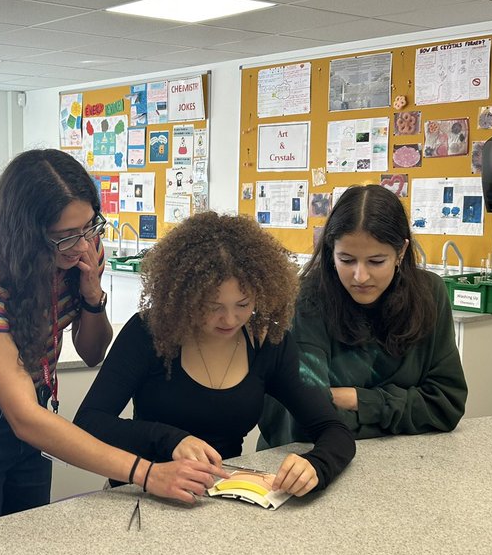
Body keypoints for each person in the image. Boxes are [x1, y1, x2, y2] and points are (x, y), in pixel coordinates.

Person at [0, 149, 221, 515]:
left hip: (37, 409)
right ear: (26, 233)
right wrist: (147, 473)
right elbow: (22, 416)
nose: (81, 246)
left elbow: (92, 352)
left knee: (31, 530)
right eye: (65, 236)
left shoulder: (82, 252)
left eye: (89, 227)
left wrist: (92, 296)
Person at [74, 212, 355, 496]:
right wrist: (169, 440)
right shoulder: (150, 333)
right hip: (144, 494)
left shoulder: (266, 342)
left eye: (243, 304)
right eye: (213, 306)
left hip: (221, 497)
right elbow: (89, 422)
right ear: (184, 295)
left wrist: (316, 466)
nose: (230, 320)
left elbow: (334, 430)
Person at [261, 185, 467, 443]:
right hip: (306, 459)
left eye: (376, 261)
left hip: (404, 460)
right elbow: (307, 420)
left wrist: (355, 399)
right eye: (346, 260)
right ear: (330, 251)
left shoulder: (430, 292)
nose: (361, 276)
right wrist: (401, 412)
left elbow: (446, 405)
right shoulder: (307, 298)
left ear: (400, 252)